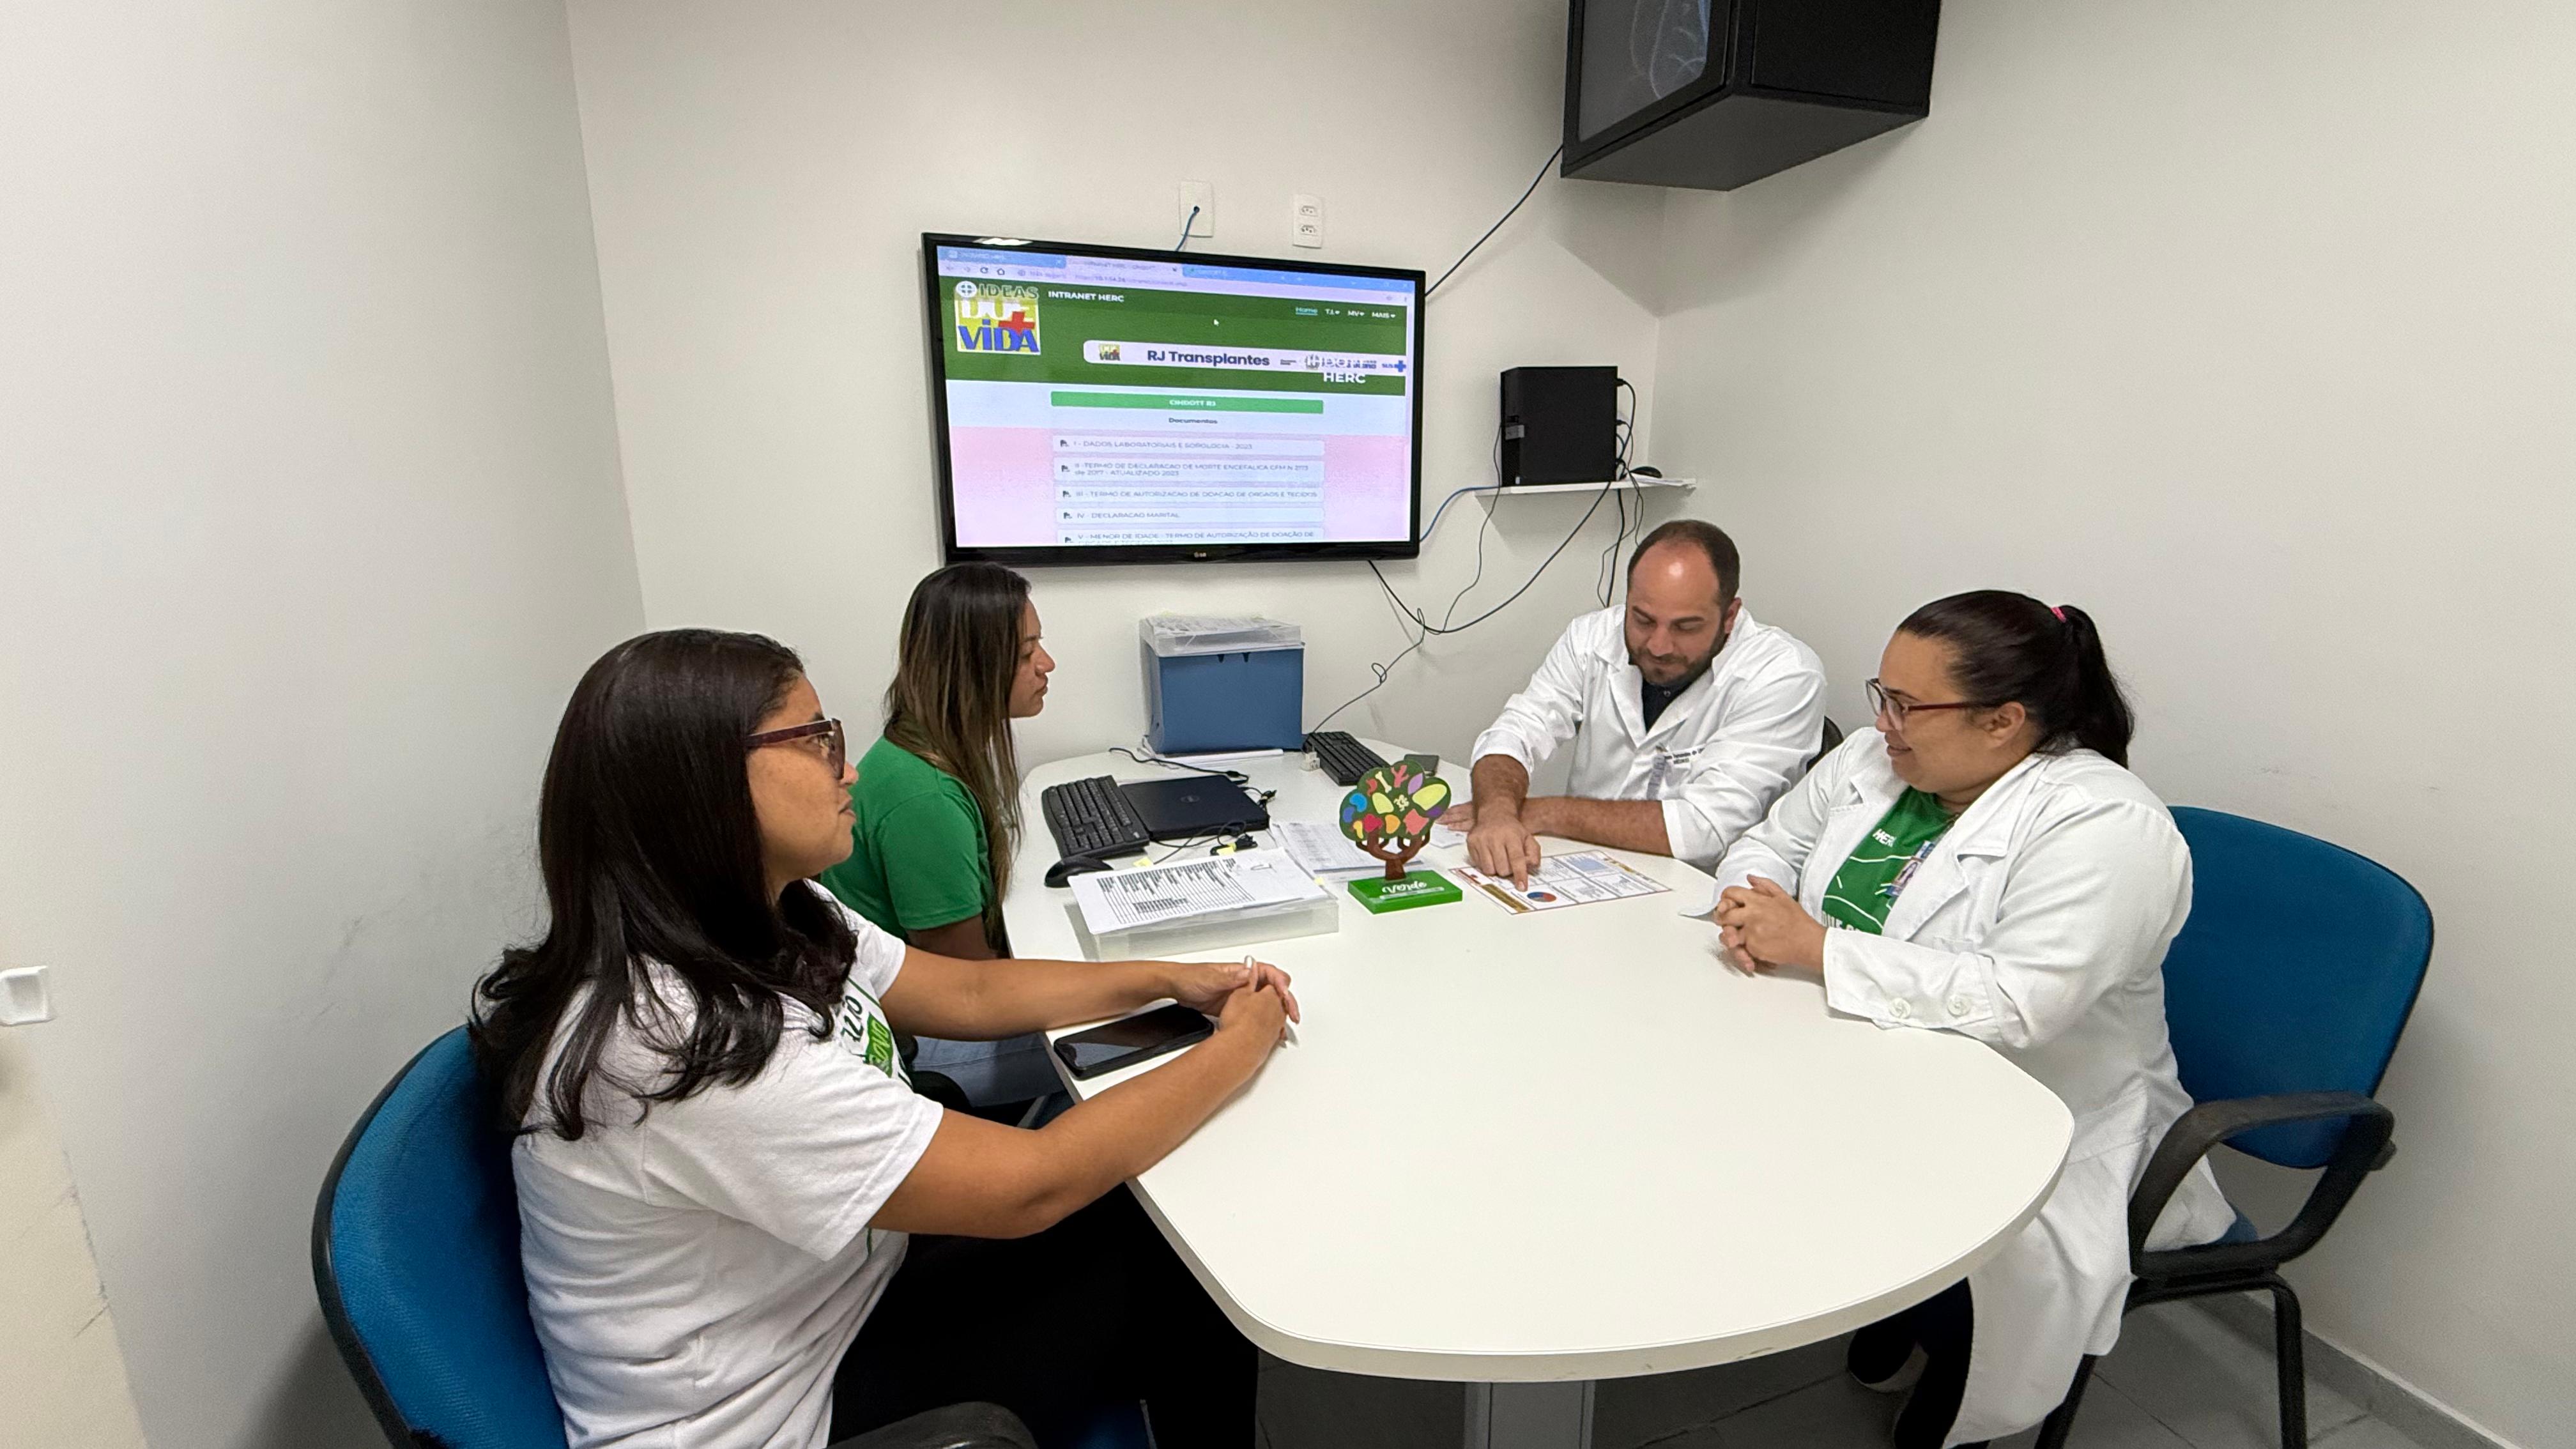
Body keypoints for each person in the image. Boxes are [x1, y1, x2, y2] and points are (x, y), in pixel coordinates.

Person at [472, 628, 1293, 1449]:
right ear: (700, 784)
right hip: (787, 1413)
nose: (850, 768)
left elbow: (966, 990)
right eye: (814, 740)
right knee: (1168, 1247)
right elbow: (1032, 1184)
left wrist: (1166, 978)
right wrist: (1237, 1047)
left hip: (835, 1299)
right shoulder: (671, 1042)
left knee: (1150, 1221)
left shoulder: (782, 912)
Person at [1706, 591, 2235, 1448]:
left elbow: (2020, 1002)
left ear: (2002, 723)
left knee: (1963, 1293)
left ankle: (1952, 1358)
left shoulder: (2106, 827)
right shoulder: (1883, 764)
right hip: (1860, 1066)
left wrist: (1816, 948)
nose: (1883, 723)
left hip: (2033, 1120)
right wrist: (1749, 893)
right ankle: (1893, 1306)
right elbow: (1774, 838)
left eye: (1906, 706)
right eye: (1882, 694)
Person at [1452, 519, 1825, 884]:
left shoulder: (1785, 674)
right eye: (1643, 620)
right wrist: (1499, 811)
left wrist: (1538, 812)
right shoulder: (1591, 636)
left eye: (1686, 627)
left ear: (1730, 616)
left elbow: (1705, 829)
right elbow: (1517, 729)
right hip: (1583, 872)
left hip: (1703, 897)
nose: (1659, 646)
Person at [820, 562, 1057, 1106]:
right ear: (972, 668)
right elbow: (970, 985)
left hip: (922, 1009)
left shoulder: (921, 754)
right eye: (1025, 654)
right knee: (1151, 1035)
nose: (1046, 664)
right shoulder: (923, 798)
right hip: (925, 1041)